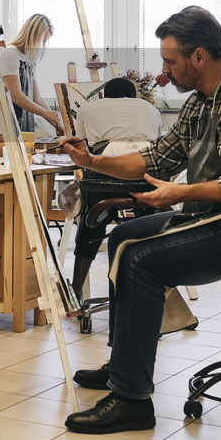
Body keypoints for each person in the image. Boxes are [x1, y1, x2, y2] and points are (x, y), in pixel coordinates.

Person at [61, 6, 221, 434]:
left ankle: (131, 400)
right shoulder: (202, 102)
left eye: (170, 61)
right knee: (123, 236)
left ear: (199, 56)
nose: (164, 72)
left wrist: (179, 193)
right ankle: (124, 363)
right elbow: (158, 157)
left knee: (143, 260)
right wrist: (93, 161)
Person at [69, 76, 163, 299]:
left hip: (105, 178)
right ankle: (158, 295)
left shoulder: (88, 109)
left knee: (89, 228)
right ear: (134, 96)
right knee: (151, 229)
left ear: (105, 95)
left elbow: (83, 148)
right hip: (145, 177)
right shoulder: (150, 109)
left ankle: (76, 290)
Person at [0, 13, 62, 135]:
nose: (43, 45)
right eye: (43, 40)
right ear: (34, 36)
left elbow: (37, 99)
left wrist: (58, 124)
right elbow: (16, 96)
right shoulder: (10, 54)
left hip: (25, 121)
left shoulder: (30, 59)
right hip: (8, 121)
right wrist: (46, 113)